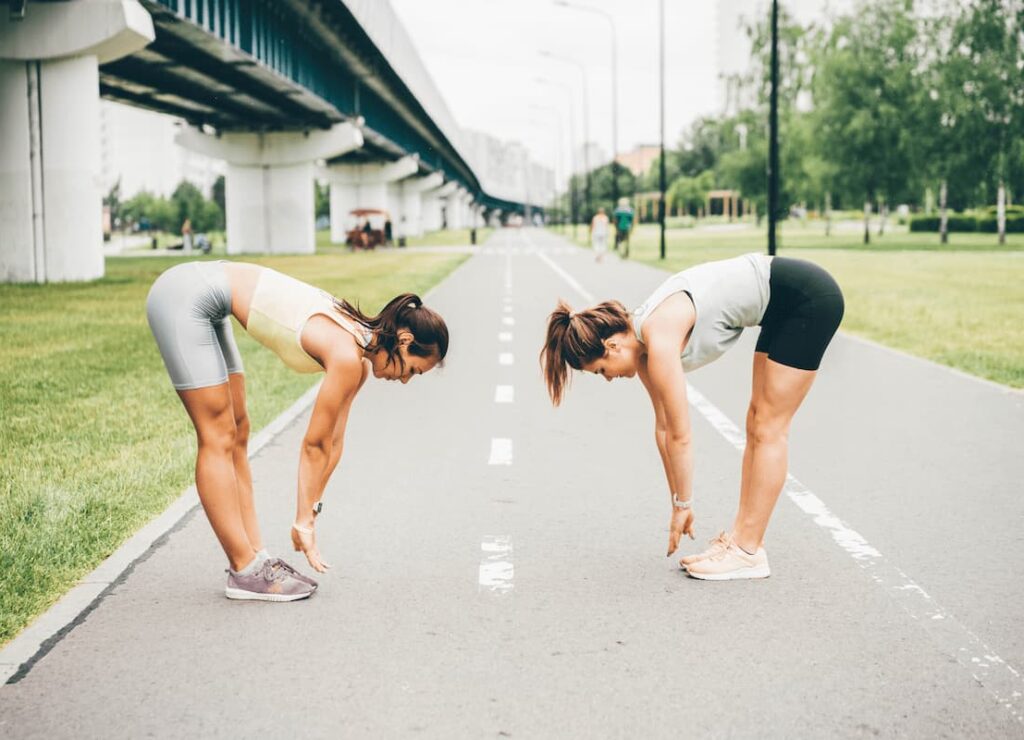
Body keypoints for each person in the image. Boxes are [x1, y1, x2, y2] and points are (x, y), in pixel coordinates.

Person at [146, 261, 449, 601]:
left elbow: (333, 442)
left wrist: (311, 512)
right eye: (411, 369)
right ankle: (243, 568)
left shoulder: (359, 360)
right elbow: (314, 445)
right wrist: (302, 521)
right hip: (185, 295)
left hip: (209, 300)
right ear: (405, 340)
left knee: (239, 430)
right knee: (218, 434)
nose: (403, 379)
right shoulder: (348, 356)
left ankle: (255, 557)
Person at [540, 253, 844, 580]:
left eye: (601, 371)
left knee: (769, 427)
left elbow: (680, 435)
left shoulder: (657, 336)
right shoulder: (642, 347)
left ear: (612, 346)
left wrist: (685, 503)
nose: (609, 378)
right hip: (780, 306)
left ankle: (747, 551)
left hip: (807, 299)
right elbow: (663, 428)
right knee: (757, 422)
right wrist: (677, 504)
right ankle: (741, 542)